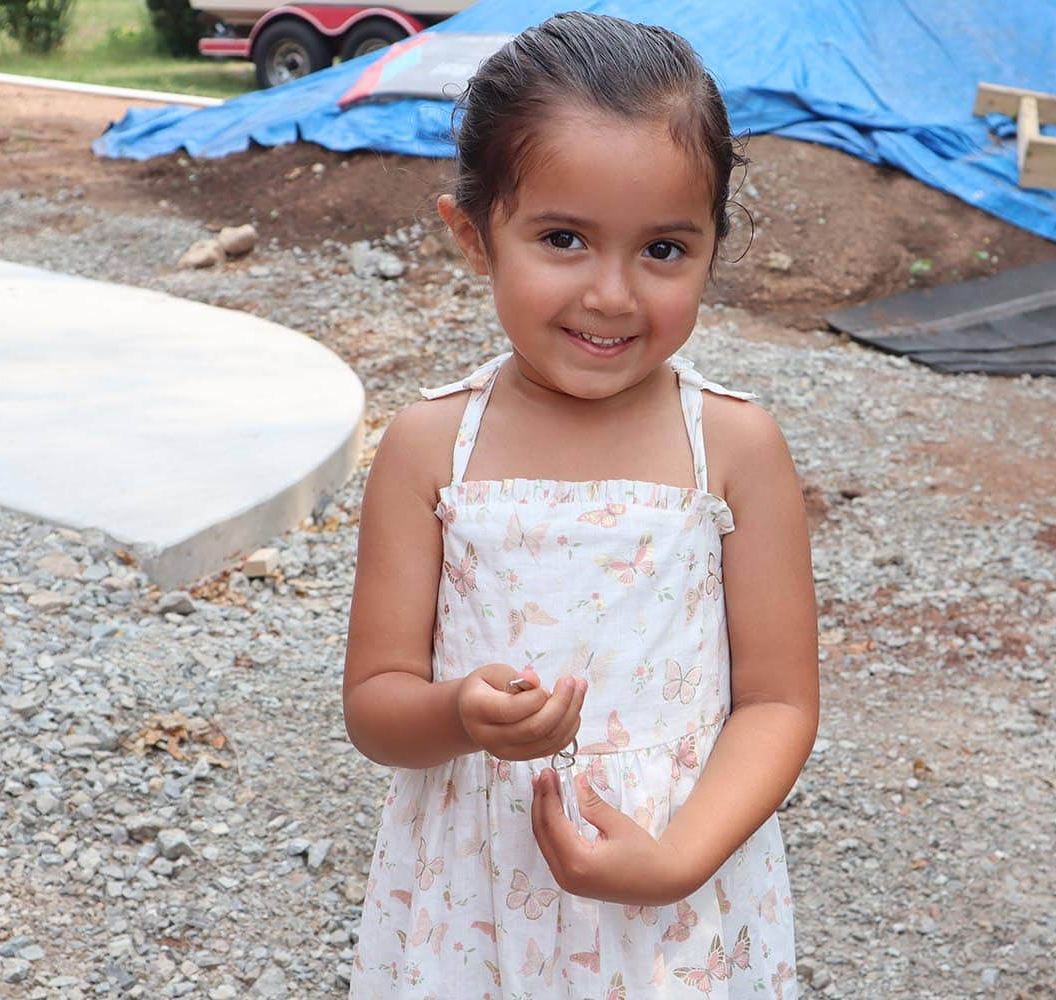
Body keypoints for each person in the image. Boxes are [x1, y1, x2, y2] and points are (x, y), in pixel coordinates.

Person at [342, 12, 818, 998]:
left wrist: (681, 857)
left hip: (676, 886)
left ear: (715, 246)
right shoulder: (431, 447)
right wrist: (460, 714)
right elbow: (377, 706)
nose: (612, 293)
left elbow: (777, 701)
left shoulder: (734, 447)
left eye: (664, 249)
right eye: (563, 238)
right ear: (473, 237)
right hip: (478, 898)